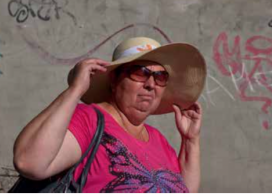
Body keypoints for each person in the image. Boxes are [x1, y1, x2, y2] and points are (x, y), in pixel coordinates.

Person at [13, 36, 206, 192]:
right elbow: (29, 163)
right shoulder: (89, 120)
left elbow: (184, 191)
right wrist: (75, 91)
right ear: (114, 80)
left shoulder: (159, 141)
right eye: (140, 72)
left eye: (160, 76)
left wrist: (190, 140)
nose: (150, 84)